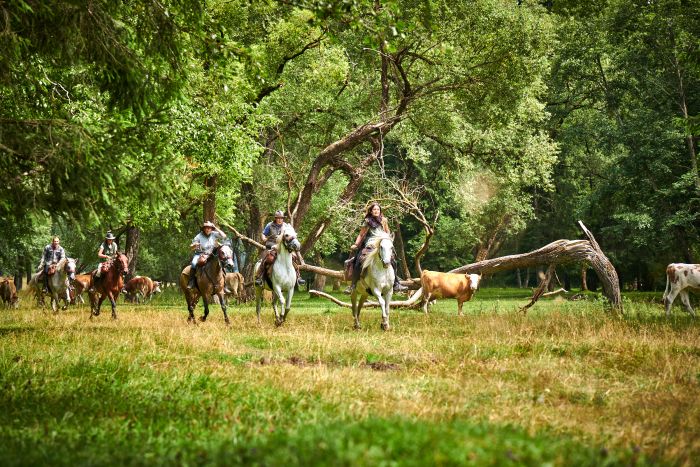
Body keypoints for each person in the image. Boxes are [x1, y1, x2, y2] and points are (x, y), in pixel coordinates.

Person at [347, 202, 408, 294]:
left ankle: (396, 284)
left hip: (383, 243)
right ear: (371, 211)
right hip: (371, 244)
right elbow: (361, 234)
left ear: (380, 211)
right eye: (374, 209)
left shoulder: (384, 220)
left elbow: (387, 231)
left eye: (378, 209)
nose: (376, 211)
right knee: (358, 260)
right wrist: (356, 244)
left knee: (393, 261)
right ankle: (353, 285)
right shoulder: (367, 221)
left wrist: (389, 239)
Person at [255, 210, 305, 287]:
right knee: (268, 259)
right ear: (275, 218)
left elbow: (292, 235)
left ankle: (298, 277)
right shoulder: (270, 225)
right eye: (278, 218)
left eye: (281, 218)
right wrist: (264, 238)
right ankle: (259, 277)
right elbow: (263, 234)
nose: (279, 219)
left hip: (283, 247)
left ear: (283, 218)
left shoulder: (286, 226)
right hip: (271, 246)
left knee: (294, 258)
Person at [188, 221, 227, 289]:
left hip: (211, 254)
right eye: (206, 228)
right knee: (194, 263)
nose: (208, 229)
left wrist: (216, 228)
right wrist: (194, 245)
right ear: (203, 229)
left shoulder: (214, 234)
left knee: (221, 263)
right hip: (200, 254)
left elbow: (224, 236)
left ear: (212, 229)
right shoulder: (199, 236)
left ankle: (225, 284)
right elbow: (191, 247)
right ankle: (191, 282)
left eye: (209, 228)